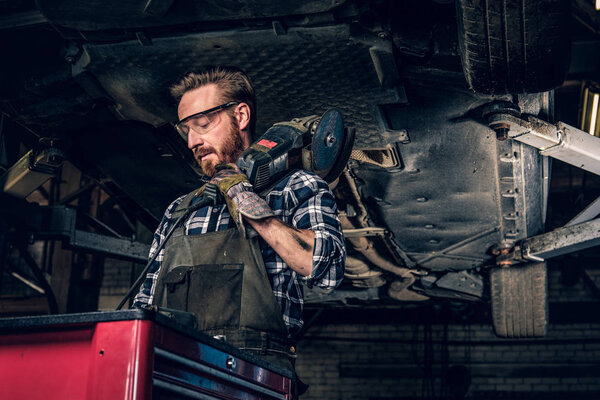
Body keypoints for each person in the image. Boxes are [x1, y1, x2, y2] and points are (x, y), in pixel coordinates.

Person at [133, 66, 346, 395]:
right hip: (175, 376)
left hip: (254, 377)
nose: (192, 141)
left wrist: (244, 197)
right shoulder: (180, 210)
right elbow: (144, 305)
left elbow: (326, 269)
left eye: (202, 125)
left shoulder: (295, 187)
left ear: (241, 115)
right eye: (186, 130)